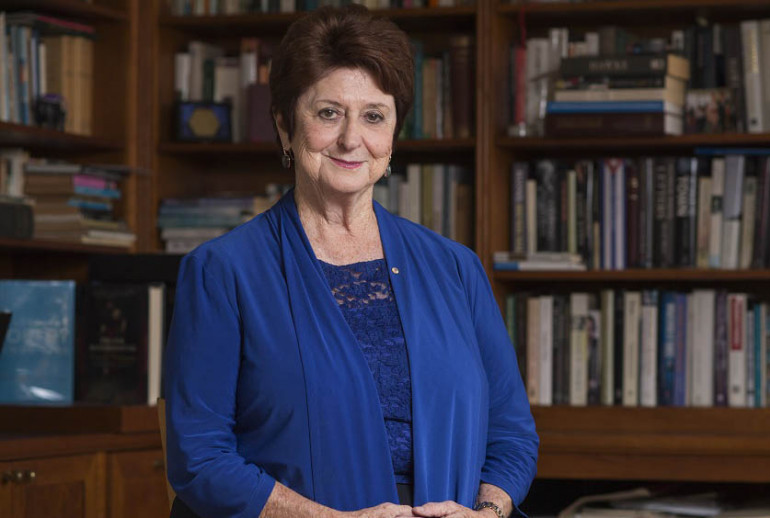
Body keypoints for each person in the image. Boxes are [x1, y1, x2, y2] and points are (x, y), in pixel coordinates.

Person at [164, 5, 539, 518]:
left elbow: (511, 435)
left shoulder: (456, 269)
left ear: (392, 136)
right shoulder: (222, 272)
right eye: (327, 113)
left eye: (373, 116)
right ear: (284, 127)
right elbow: (199, 459)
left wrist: (488, 513)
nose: (350, 139)